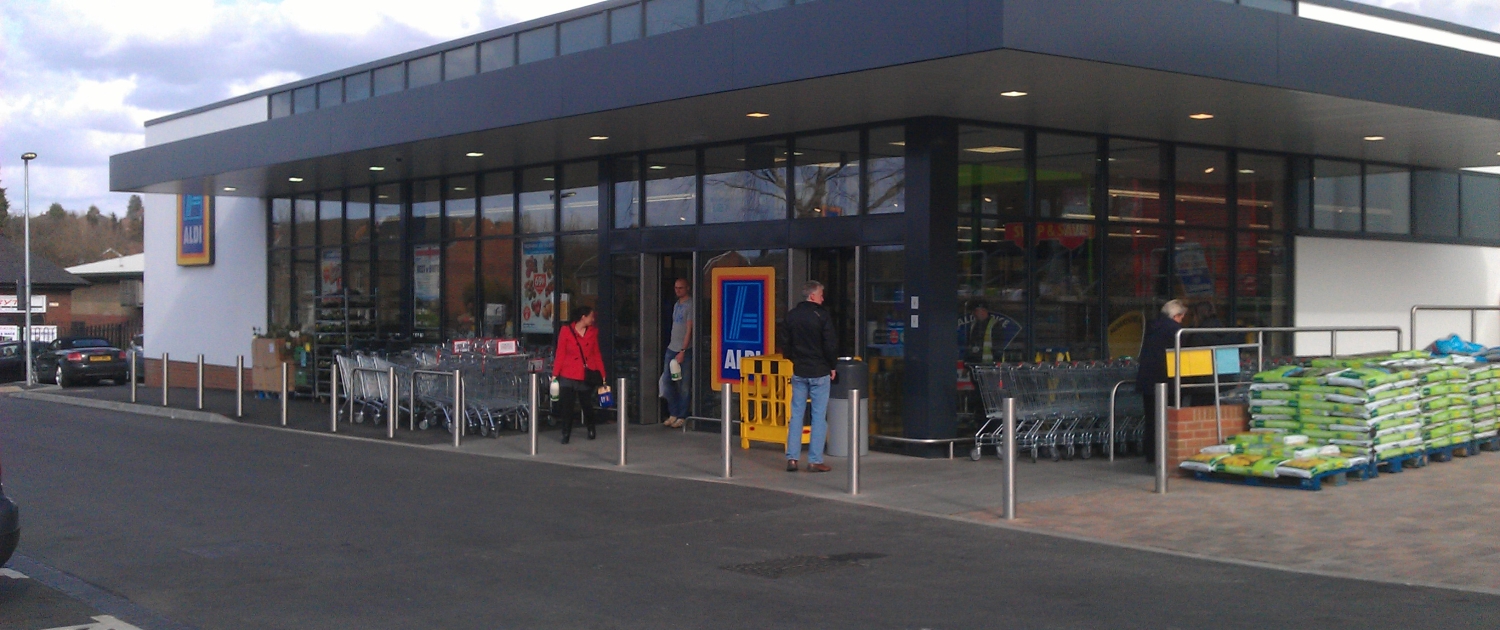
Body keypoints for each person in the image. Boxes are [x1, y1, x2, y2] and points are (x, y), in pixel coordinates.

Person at [785, 280, 839, 473]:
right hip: (819, 371)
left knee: (796, 415)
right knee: (818, 417)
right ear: (813, 296)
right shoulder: (822, 316)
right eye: (821, 295)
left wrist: (795, 360)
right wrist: (832, 366)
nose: (823, 299)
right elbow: (830, 344)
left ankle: (792, 458)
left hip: (799, 371)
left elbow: (786, 343)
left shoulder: (792, 315)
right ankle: (814, 460)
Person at [1136, 300, 1186, 464]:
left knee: (1151, 419)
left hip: (1148, 380)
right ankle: (1163, 455)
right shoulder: (1175, 331)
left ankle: (1151, 453)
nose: (1182, 321)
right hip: (1166, 380)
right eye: (1181, 317)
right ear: (1176, 315)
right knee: (1167, 419)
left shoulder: (1152, 327)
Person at [552, 305, 606, 444]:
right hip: (568, 372)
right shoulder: (566, 331)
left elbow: (596, 353)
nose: (593, 319)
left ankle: (591, 427)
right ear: (583, 317)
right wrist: (555, 374)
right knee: (567, 406)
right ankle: (566, 433)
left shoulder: (592, 332)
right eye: (591, 316)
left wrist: (602, 373)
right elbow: (560, 353)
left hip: (585, 374)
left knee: (586, 404)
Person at [662, 278, 693, 428]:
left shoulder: (690, 305)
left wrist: (683, 350)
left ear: (687, 288)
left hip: (684, 350)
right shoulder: (676, 304)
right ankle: (673, 413)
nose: (678, 290)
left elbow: (689, 329)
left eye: (681, 288)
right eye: (676, 288)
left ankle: (682, 415)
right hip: (671, 347)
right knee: (667, 381)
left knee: (684, 385)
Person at [962, 301, 1010, 365]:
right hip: (974, 362)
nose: (973, 314)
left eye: (975, 311)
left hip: (989, 364)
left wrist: (997, 362)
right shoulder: (973, 325)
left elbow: (998, 347)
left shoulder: (995, 325)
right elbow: (969, 345)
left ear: (983, 311)